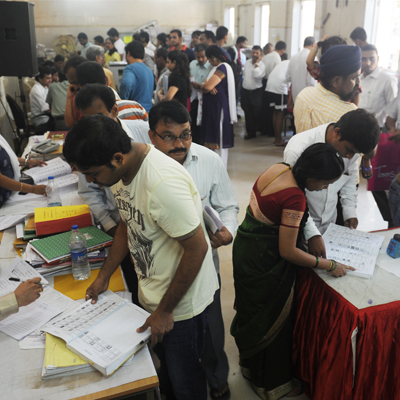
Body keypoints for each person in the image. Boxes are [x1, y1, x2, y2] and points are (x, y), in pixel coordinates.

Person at [63, 115, 219, 400]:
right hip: (155, 296)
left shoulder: (161, 184)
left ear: (118, 158)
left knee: (186, 382)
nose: (91, 181)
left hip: (181, 306)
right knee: (167, 374)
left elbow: (197, 248)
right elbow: (127, 223)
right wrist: (104, 276)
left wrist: (165, 311)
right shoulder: (122, 172)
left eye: (93, 173)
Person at [231, 143, 352, 400]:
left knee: (252, 312)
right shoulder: (295, 197)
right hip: (266, 264)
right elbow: (288, 252)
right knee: (273, 322)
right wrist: (329, 265)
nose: (326, 188)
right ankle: (271, 384)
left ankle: (251, 369)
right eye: (326, 183)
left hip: (247, 249)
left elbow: (276, 219)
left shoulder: (280, 168)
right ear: (311, 177)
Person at [148, 101, 238, 400]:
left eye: (185, 134)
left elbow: (228, 205)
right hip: (162, 271)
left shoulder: (208, 160)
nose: (180, 144)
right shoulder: (146, 167)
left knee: (211, 332)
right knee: (169, 337)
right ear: (152, 136)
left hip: (204, 266)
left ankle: (217, 380)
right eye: (169, 136)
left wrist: (227, 230)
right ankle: (173, 380)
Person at [284, 109, 380, 257]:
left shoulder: (351, 149)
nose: (349, 156)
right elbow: (294, 198)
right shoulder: (299, 148)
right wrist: (311, 234)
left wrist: (349, 211)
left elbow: (350, 179)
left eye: (355, 153)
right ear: (336, 133)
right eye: (349, 150)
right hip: (300, 225)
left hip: (330, 226)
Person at [294, 45, 361, 134]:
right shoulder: (349, 115)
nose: (358, 82)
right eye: (354, 78)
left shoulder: (303, 95)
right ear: (336, 81)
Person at [200, 45, 237, 168]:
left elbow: (206, 86)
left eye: (210, 59)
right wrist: (207, 86)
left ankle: (219, 168)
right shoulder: (217, 68)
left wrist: (207, 87)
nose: (209, 62)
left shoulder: (222, 68)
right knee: (213, 139)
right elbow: (205, 84)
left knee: (218, 140)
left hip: (218, 109)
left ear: (214, 58)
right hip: (213, 109)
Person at [0, 134, 46, 206]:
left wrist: (27, 162)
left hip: (10, 194)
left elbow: (6, 158)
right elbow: (1, 180)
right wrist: (32, 189)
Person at [359, 44, 398, 130]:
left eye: (372, 59)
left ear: (378, 59)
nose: (368, 63)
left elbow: (394, 111)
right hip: (357, 127)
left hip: (377, 130)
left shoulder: (388, 80)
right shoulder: (357, 79)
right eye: (364, 59)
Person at [261, 41, 286, 136]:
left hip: (265, 83)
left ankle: (265, 130)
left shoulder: (266, 56)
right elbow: (278, 73)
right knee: (274, 111)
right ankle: (272, 132)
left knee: (266, 109)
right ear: (282, 50)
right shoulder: (277, 57)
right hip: (274, 84)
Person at [119, 41, 154, 112]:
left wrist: (122, 100)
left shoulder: (130, 68)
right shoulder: (148, 70)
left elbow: (126, 84)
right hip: (147, 112)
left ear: (128, 53)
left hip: (134, 112)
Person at [241, 45, 265, 140]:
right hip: (246, 91)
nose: (254, 55)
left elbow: (257, 75)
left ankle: (256, 129)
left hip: (256, 92)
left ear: (260, 54)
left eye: (257, 53)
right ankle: (250, 132)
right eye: (253, 52)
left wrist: (257, 64)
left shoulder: (262, 65)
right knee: (247, 112)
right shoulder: (247, 63)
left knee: (256, 112)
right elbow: (244, 75)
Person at [265, 57, 290, 146]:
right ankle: (278, 140)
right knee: (280, 114)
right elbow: (291, 79)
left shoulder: (285, 62)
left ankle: (277, 138)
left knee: (275, 113)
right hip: (279, 88)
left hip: (270, 87)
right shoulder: (293, 65)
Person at [190, 43, 212, 144]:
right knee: (193, 125)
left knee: (204, 126)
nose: (200, 59)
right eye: (198, 57)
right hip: (193, 99)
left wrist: (201, 86)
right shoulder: (192, 64)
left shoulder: (211, 67)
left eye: (203, 57)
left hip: (206, 100)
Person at [286, 36, 317, 103]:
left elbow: (288, 77)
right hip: (307, 98)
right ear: (313, 45)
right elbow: (312, 82)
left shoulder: (293, 57)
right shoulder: (312, 58)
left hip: (295, 98)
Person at [30, 65, 54, 132]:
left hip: (47, 117)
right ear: (40, 79)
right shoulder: (37, 90)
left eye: (51, 77)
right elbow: (47, 110)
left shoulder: (45, 87)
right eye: (48, 78)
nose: (51, 80)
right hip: (42, 120)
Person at [227, 36, 247, 107]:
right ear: (240, 42)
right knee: (233, 94)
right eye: (244, 43)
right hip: (233, 75)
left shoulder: (239, 51)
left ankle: (235, 110)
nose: (245, 45)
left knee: (237, 94)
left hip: (238, 75)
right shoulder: (232, 50)